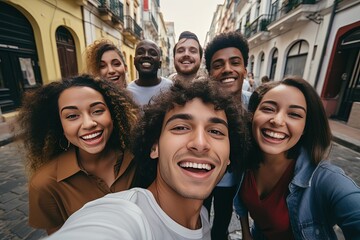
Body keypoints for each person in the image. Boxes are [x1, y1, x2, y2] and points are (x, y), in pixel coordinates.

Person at [45, 79, 249, 240]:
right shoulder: (127, 216)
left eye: (215, 131)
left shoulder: (203, 219)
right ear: (154, 147)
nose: (200, 143)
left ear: (229, 155)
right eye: (180, 127)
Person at [234, 76, 360, 239]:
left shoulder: (327, 180)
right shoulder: (245, 157)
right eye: (268, 109)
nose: (277, 121)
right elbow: (242, 203)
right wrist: (246, 233)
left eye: (294, 114)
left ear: (305, 128)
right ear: (252, 115)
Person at [17, 75, 138, 234]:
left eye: (97, 110)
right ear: (60, 125)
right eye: (72, 116)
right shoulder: (45, 184)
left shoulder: (140, 158)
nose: (88, 124)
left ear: (113, 114)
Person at [204, 30, 250, 240]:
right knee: (198, 219)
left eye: (235, 62)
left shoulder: (258, 105)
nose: (227, 69)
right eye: (218, 64)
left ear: (245, 69)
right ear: (209, 73)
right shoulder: (201, 105)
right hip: (203, 177)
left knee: (222, 220)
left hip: (233, 182)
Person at [127, 39, 172, 106]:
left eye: (153, 53)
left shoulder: (170, 87)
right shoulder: (127, 92)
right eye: (140, 52)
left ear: (160, 64)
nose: (146, 56)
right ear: (134, 61)